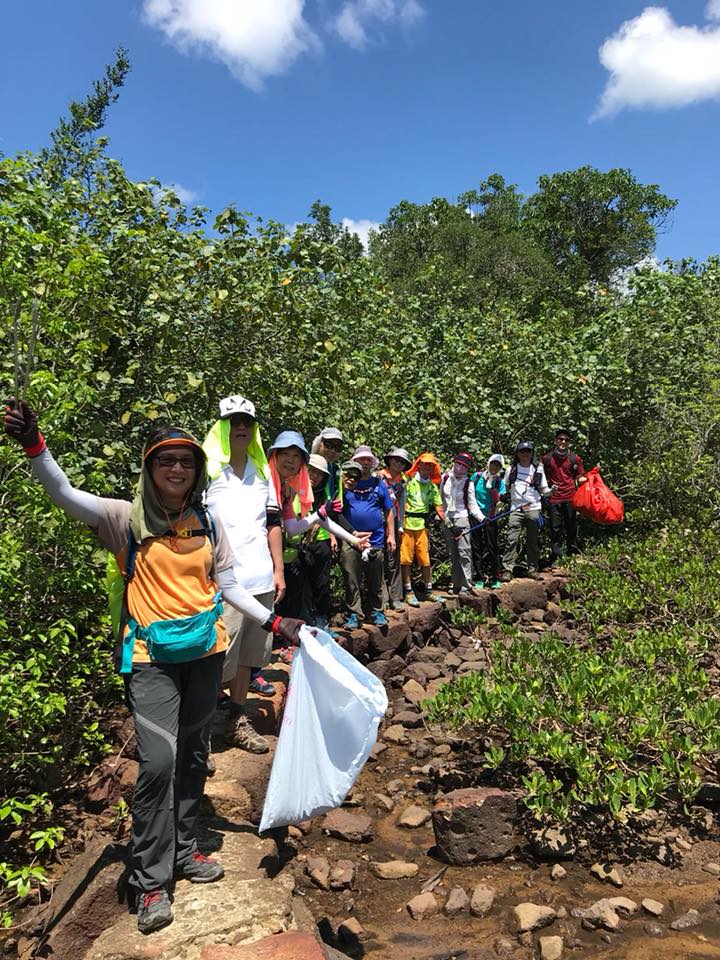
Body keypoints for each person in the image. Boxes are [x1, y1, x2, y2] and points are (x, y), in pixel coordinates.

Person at [3, 399, 303, 935]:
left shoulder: (206, 520)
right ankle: (148, 883)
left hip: (206, 654)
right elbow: (64, 494)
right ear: (149, 466)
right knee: (159, 763)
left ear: (196, 470)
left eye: (186, 461)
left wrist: (275, 623)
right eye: (166, 460)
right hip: (150, 659)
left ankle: (185, 850)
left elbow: (228, 584)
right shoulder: (124, 517)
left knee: (192, 755)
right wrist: (35, 445)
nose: (177, 469)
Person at [202, 395, 283, 755]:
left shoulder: (262, 473)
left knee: (249, 659)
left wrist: (279, 569)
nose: (240, 428)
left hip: (260, 577)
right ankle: (199, 735)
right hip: (221, 582)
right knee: (215, 659)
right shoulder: (207, 472)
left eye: (246, 423)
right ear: (221, 426)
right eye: (233, 422)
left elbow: (273, 524)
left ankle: (236, 719)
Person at [269, 431, 367, 623]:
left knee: (304, 594)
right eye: (286, 455)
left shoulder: (293, 491)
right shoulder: (273, 484)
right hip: (275, 557)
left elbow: (313, 521)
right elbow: (310, 520)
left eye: (296, 456)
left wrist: (353, 539)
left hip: (292, 555)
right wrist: (321, 514)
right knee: (284, 601)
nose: (290, 461)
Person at [340, 448, 395, 629]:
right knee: (351, 578)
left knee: (375, 577)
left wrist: (391, 535)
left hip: (375, 539)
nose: (365, 463)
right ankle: (354, 614)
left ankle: (377, 611)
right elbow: (333, 512)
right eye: (361, 459)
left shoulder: (379, 484)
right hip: (350, 538)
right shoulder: (346, 483)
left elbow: (388, 510)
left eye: (368, 460)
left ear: (372, 463)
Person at [304, 452, 354, 631]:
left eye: (319, 474)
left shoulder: (324, 492)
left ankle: (321, 622)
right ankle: (304, 624)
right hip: (300, 545)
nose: (314, 476)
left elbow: (332, 517)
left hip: (322, 540)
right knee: (303, 586)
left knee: (322, 583)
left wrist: (352, 535)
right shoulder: (295, 490)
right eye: (311, 471)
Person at [501, 441, 554, 580]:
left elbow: (544, 490)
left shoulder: (538, 469)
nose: (525, 454)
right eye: (522, 451)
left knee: (532, 540)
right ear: (517, 454)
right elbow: (505, 487)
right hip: (515, 508)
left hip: (533, 507)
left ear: (532, 453)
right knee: (511, 539)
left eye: (528, 451)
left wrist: (552, 491)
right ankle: (507, 569)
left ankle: (532, 568)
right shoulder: (511, 469)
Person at [401, 452, 446, 607]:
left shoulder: (432, 487)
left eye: (430, 465)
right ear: (418, 465)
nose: (427, 467)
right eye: (425, 464)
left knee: (425, 560)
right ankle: (408, 591)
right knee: (405, 560)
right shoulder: (408, 482)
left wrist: (450, 526)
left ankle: (428, 590)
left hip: (422, 526)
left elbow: (439, 507)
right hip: (407, 525)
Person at [440, 452, 485, 594]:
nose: (460, 468)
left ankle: (466, 585)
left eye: (464, 466)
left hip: (462, 518)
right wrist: (439, 517)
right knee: (453, 554)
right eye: (458, 464)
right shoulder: (445, 478)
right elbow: (440, 500)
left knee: (464, 552)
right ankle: (456, 584)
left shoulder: (468, 483)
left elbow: (472, 505)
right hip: (447, 519)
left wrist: (482, 518)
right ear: (454, 463)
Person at [542, 428, 587, 563]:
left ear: (569, 443)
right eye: (560, 439)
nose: (563, 442)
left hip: (570, 496)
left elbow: (580, 478)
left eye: (566, 440)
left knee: (571, 525)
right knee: (555, 527)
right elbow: (541, 477)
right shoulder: (547, 458)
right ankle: (556, 555)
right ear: (555, 441)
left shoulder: (575, 458)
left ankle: (572, 552)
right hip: (554, 497)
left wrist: (593, 479)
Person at [378, 447, 411, 611]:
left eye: (402, 462)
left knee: (394, 560)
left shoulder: (402, 481)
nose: (399, 464)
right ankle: (381, 599)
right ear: (390, 460)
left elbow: (402, 504)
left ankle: (396, 597)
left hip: (394, 520)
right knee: (378, 559)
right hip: (378, 522)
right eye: (396, 460)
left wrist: (400, 526)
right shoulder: (378, 477)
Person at [471, 454, 506, 589]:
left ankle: (495, 577)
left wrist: (492, 487)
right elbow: (469, 493)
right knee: (476, 547)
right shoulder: (477, 477)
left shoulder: (499, 482)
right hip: (475, 515)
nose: (494, 467)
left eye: (498, 465)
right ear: (488, 463)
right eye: (493, 463)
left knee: (492, 547)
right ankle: (479, 577)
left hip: (491, 517)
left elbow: (499, 501)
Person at [311, 426, 344, 498]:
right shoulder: (304, 464)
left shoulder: (336, 473)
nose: (333, 451)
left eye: (338, 448)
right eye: (328, 445)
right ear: (319, 443)